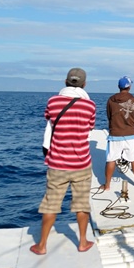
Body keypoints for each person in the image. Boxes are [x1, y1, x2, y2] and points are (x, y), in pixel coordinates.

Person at [31, 67, 96, 255]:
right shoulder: (90, 105)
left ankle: (41, 245)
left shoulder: (53, 101)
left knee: (51, 204)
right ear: (84, 84)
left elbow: (48, 117)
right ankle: (82, 242)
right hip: (81, 163)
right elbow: (90, 126)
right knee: (82, 204)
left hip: (57, 162)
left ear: (66, 81)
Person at [103, 75, 134, 190]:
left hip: (115, 133)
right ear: (129, 87)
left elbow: (109, 115)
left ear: (118, 86)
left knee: (111, 159)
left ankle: (107, 186)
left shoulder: (111, 100)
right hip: (130, 134)